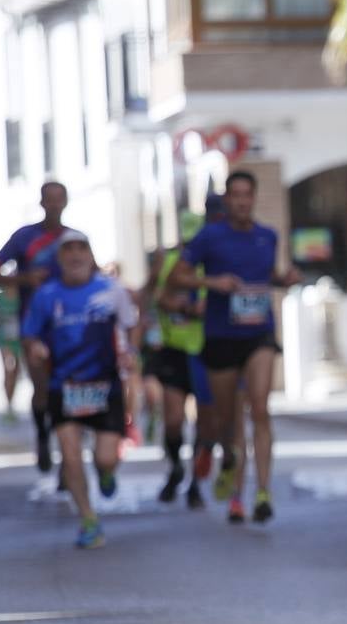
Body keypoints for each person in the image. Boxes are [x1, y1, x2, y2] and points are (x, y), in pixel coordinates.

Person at [170, 173, 301, 524]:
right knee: (229, 420)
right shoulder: (209, 236)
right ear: (226, 200)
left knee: (259, 406)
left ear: (254, 198)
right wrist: (211, 281)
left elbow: (267, 276)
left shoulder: (267, 236)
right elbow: (176, 278)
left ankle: (262, 493)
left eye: (248, 195)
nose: (242, 201)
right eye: (236, 195)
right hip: (221, 336)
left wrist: (284, 279)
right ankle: (235, 489)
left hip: (259, 332)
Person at [21, 231, 138, 549]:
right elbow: (30, 334)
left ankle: (106, 473)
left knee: (105, 458)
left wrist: (130, 354)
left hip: (105, 384)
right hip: (65, 384)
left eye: (81, 249)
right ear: (60, 259)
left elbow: (130, 326)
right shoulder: (47, 295)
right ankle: (88, 520)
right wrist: (36, 350)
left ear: (91, 255)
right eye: (68, 250)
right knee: (71, 456)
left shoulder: (111, 291)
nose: (75, 256)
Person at [0, 181, 79, 473]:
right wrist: (24, 280)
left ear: (65, 202)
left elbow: (92, 275)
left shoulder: (73, 240)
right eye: (48, 200)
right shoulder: (24, 237)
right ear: (41, 203)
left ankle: (68, 455)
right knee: (41, 386)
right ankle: (43, 435)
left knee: (66, 388)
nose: (53, 205)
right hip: (34, 326)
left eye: (58, 200)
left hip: (67, 327)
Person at [149, 209, 217, 508]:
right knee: (174, 420)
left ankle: (195, 484)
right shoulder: (170, 261)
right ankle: (175, 466)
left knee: (205, 424)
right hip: (174, 350)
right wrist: (177, 305)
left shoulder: (212, 263)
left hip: (205, 350)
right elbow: (157, 295)